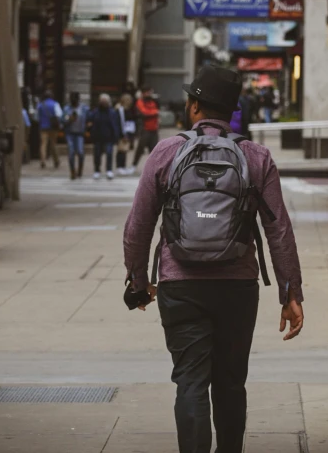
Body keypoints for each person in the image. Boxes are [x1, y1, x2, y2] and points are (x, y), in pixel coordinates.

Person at [123, 64, 304, 453]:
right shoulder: (256, 157)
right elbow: (279, 230)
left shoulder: (167, 152)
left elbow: (137, 225)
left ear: (193, 107)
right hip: (238, 287)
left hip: (180, 285)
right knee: (230, 382)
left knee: (190, 382)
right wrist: (291, 292)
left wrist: (138, 284)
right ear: (232, 110)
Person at [88, 94, 122, 180]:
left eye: (105, 101)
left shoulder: (112, 112)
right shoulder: (95, 111)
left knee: (109, 154)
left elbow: (115, 125)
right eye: (102, 101)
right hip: (97, 137)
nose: (103, 103)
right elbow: (90, 121)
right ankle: (97, 171)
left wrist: (116, 137)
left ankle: (109, 170)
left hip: (109, 138)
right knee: (97, 155)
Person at [129, 85, 160, 172]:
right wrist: (154, 112)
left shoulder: (153, 102)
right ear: (143, 93)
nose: (149, 93)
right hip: (145, 129)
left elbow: (156, 111)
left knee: (154, 150)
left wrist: (153, 112)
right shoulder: (140, 102)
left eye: (150, 92)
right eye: (147, 92)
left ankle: (154, 168)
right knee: (140, 148)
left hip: (154, 129)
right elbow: (144, 113)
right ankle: (133, 166)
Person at [63, 92, 88, 180]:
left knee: (80, 152)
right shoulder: (67, 109)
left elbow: (89, 117)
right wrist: (69, 119)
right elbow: (63, 120)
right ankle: (72, 171)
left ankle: (80, 170)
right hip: (70, 133)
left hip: (79, 133)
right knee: (71, 153)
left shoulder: (83, 108)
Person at [37, 90, 62, 170]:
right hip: (53, 127)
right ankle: (56, 160)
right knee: (53, 144)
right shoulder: (55, 104)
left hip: (43, 127)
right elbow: (59, 115)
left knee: (43, 144)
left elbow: (36, 116)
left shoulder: (40, 105)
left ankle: (43, 160)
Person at [116, 93, 137, 174]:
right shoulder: (120, 110)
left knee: (125, 150)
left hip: (130, 131)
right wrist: (122, 134)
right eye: (128, 100)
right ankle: (119, 166)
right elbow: (119, 122)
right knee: (121, 150)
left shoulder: (131, 109)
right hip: (123, 131)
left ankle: (123, 166)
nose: (130, 101)